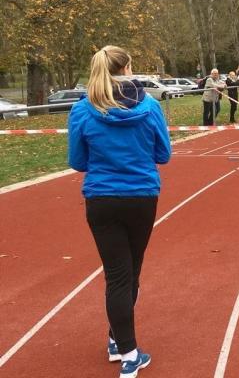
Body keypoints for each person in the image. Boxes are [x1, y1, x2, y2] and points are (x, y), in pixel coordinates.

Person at [67, 45, 171, 377]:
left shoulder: (82, 110)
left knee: (118, 276)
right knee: (130, 273)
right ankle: (128, 354)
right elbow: (163, 154)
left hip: (102, 199)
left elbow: (77, 161)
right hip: (141, 196)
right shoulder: (150, 106)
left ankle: (119, 342)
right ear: (126, 68)